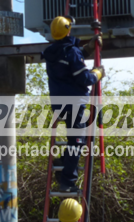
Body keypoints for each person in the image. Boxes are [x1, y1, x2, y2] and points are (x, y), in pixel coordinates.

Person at [42, 16, 104, 192]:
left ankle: (64, 160)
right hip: (74, 102)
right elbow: (84, 78)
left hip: (59, 103)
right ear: (68, 30)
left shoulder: (51, 52)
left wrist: (88, 48)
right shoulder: (71, 52)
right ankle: (68, 182)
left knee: (78, 136)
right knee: (77, 141)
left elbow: (70, 58)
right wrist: (97, 74)